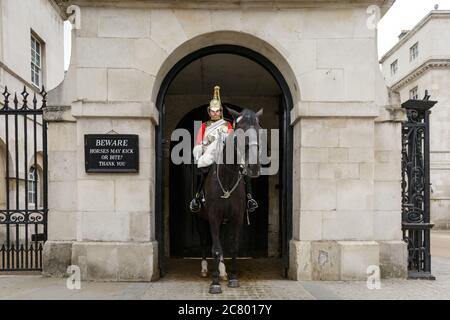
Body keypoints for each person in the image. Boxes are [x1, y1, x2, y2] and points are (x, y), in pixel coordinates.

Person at [189, 85, 258, 213]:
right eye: (213, 111)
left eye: (217, 111)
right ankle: (197, 197)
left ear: (221, 111)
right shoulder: (204, 126)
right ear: (209, 112)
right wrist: (202, 147)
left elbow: (233, 139)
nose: (215, 113)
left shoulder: (228, 125)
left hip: (226, 152)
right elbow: (199, 142)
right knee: (200, 170)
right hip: (209, 152)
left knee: (243, 168)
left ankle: (249, 198)